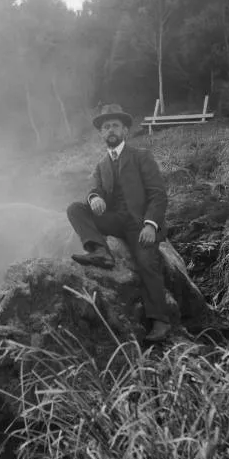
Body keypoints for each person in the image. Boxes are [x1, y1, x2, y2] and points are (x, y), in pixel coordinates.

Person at [66, 104, 171, 342]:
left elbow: (158, 194)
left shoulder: (141, 156)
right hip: (115, 221)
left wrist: (150, 225)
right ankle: (100, 251)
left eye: (115, 125)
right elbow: (95, 189)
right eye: (105, 127)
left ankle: (160, 321)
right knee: (75, 209)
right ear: (101, 134)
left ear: (124, 130)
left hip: (139, 223)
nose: (110, 130)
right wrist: (94, 199)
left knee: (146, 261)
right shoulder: (101, 165)